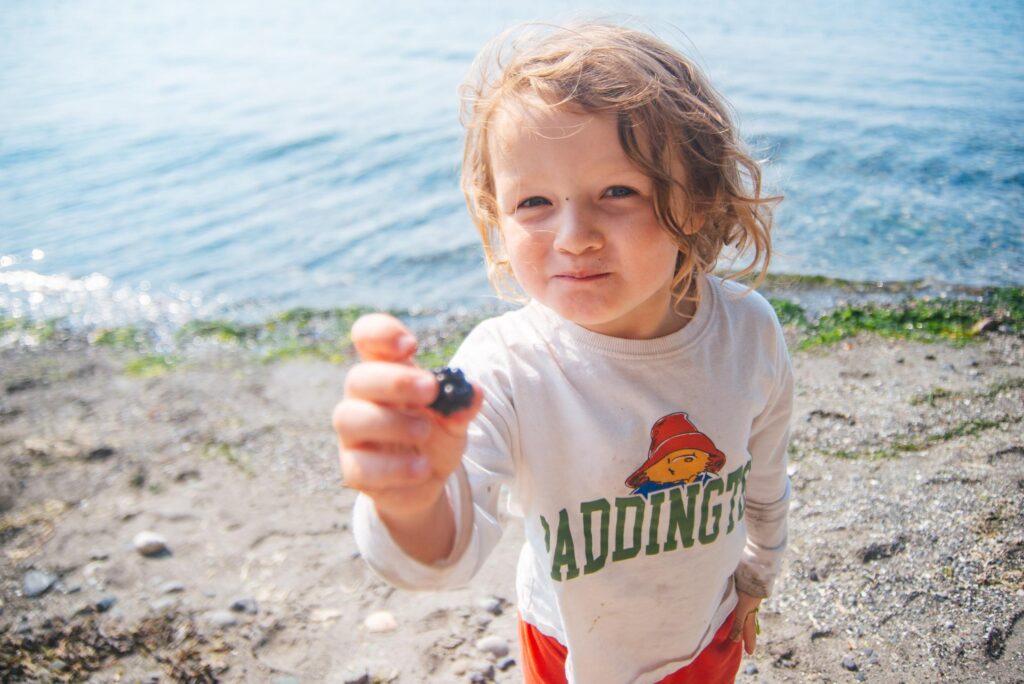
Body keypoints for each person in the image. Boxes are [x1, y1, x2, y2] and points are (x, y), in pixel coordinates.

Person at [333, 21, 792, 684]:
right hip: (566, 646)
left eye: (618, 192)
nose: (574, 237)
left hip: (706, 633)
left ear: (695, 201)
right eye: (535, 202)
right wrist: (409, 501)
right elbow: (443, 555)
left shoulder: (748, 333)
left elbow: (767, 479)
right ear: (498, 215)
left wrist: (756, 573)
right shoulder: (506, 364)